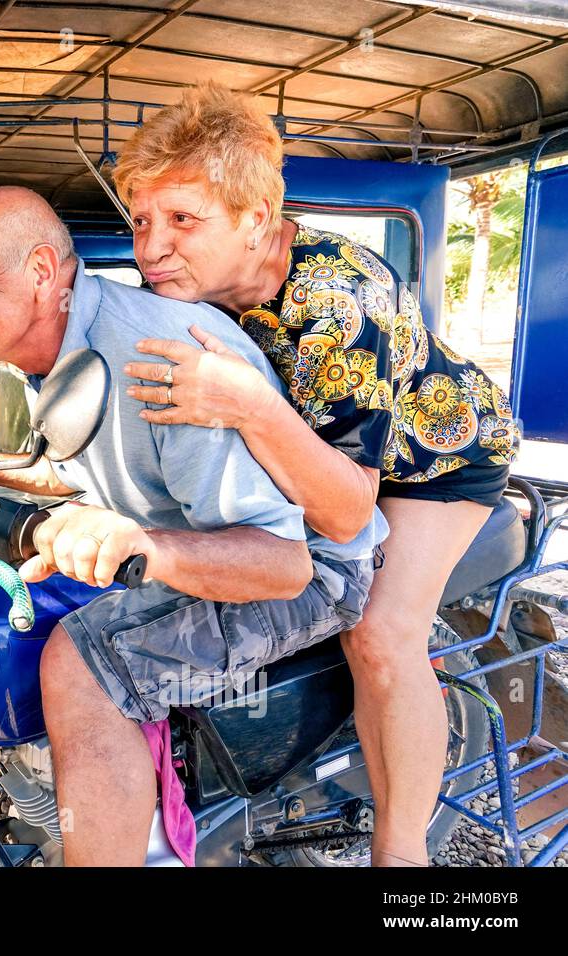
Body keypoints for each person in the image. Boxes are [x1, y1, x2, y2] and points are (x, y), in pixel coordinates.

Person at [111, 83, 521, 866]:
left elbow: (344, 511)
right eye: (142, 220)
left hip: (434, 463)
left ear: (256, 219)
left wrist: (248, 406)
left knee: (379, 633)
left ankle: (402, 860)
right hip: (328, 455)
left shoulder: (337, 296)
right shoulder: (190, 292)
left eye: (182, 220)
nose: (151, 247)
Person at [0, 185, 386, 865]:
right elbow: (84, 467)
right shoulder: (58, 351)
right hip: (215, 548)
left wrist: (144, 544)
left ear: (43, 273)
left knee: (80, 663)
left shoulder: (157, 360)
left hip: (316, 568)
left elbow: (286, 565)